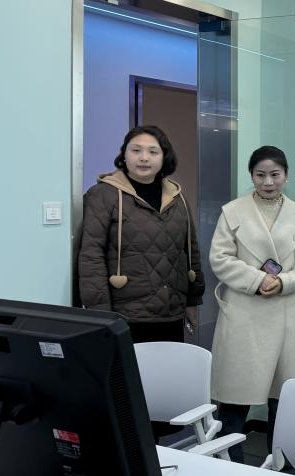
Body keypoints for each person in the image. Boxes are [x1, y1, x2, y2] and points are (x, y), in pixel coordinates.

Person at [209, 146, 295, 463]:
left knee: (281, 399)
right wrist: (258, 280)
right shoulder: (233, 212)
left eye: (275, 174)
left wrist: (284, 281)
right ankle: (229, 467)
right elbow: (219, 258)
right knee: (235, 397)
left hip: (284, 313)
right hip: (244, 312)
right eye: (260, 175)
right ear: (252, 176)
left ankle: (281, 467)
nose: (268, 182)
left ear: (286, 175)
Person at [79, 125, 204, 344]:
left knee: (169, 367)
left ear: (164, 157)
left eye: (153, 152)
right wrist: (101, 316)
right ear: (124, 155)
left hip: (171, 313)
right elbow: (91, 256)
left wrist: (192, 301)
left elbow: (190, 251)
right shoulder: (103, 195)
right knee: (127, 368)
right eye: (136, 150)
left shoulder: (177, 197)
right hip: (124, 316)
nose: (144, 158)